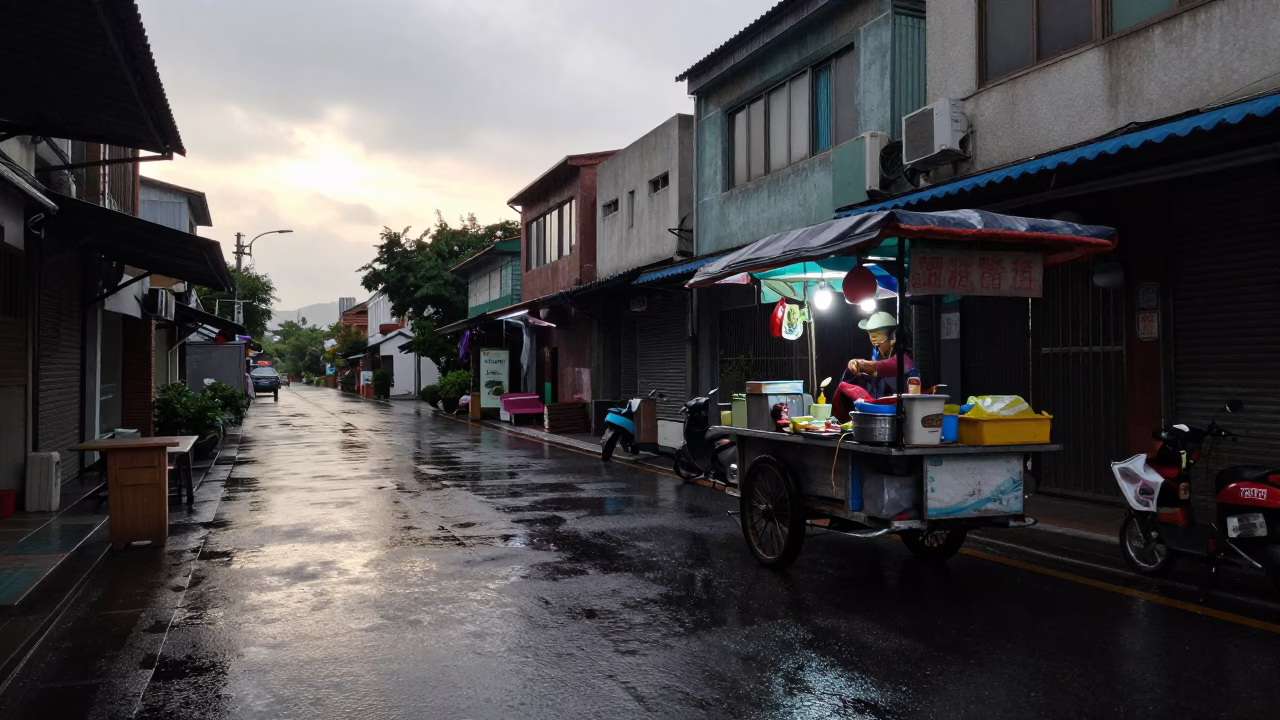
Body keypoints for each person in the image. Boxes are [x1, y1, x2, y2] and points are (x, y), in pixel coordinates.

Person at [832, 311, 916, 419]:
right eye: (872, 340)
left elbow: (880, 367)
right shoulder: (877, 357)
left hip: (902, 413)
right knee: (843, 386)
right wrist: (852, 367)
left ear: (892, 338)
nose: (876, 346)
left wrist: (860, 364)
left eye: (878, 341)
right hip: (879, 412)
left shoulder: (904, 360)